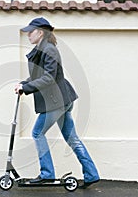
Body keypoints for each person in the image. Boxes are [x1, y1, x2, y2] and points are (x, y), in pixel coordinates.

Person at [15, 17, 100, 189]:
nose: (28, 35)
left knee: (38, 132)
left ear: (40, 32)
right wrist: (24, 84)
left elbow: (49, 78)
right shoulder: (42, 49)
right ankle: (91, 174)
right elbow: (39, 76)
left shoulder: (49, 49)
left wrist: (28, 87)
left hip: (56, 101)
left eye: (31, 31)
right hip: (61, 100)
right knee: (72, 138)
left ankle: (47, 174)